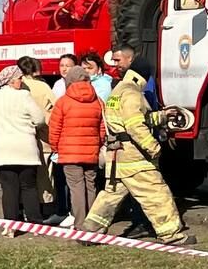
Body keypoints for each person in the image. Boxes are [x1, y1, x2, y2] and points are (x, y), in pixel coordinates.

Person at [83, 57, 196, 246]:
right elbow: (135, 126)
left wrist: (161, 117)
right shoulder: (132, 93)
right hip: (134, 158)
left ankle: (90, 232)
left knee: (110, 197)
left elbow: (132, 119)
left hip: (117, 156)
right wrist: (154, 148)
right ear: (144, 77)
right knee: (157, 194)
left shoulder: (118, 91)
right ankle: (172, 235)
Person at [0, 64, 47, 237]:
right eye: (19, 78)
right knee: (28, 187)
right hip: (25, 148)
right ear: (12, 80)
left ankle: (10, 226)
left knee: (9, 189)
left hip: (2, 149)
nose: (22, 81)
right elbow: (40, 118)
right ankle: (36, 224)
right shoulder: (24, 96)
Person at [48, 66, 106, 232]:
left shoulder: (63, 102)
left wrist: (55, 147)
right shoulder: (98, 101)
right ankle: (93, 223)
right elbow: (103, 127)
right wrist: (98, 143)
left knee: (76, 189)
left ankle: (80, 225)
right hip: (91, 152)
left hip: (69, 154)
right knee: (91, 186)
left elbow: (54, 128)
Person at [17, 56, 60, 223]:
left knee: (25, 176)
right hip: (43, 135)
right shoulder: (43, 87)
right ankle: (47, 208)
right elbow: (55, 109)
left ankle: (26, 207)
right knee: (45, 175)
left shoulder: (19, 88)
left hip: (23, 136)